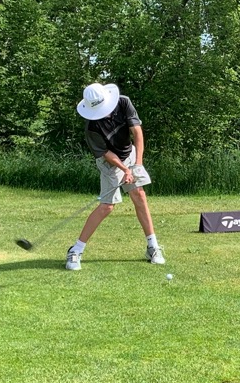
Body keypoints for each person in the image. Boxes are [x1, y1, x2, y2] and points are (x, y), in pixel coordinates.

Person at [65, 82, 165, 270]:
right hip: (110, 163)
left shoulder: (123, 102)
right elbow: (106, 154)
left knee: (139, 195)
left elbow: (137, 132)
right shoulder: (91, 127)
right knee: (107, 206)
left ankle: (153, 247)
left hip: (130, 155)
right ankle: (75, 250)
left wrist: (137, 165)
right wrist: (125, 170)